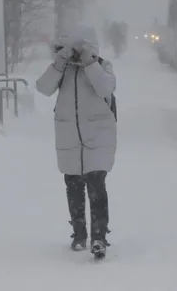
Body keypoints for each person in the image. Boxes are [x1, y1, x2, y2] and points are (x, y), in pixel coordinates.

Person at [36, 25, 117, 259]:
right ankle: (79, 234)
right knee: (73, 185)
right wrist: (60, 63)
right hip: (69, 135)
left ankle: (99, 237)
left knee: (96, 185)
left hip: (98, 136)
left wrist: (89, 62)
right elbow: (43, 88)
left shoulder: (102, 66)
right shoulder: (62, 69)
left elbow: (105, 87)